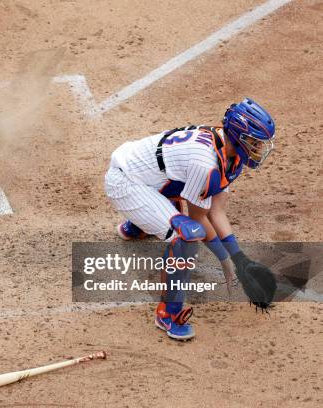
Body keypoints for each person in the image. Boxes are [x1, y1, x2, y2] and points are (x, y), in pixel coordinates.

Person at [104, 98, 276, 340]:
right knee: (188, 234)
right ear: (239, 136)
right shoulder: (205, 164)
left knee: (185, 194)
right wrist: (227, 265)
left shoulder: (228, 153)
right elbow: (200, 220)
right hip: (125, 184)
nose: (259, 147)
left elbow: (216, 211)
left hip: (146, 176)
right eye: (255, 141)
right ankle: (168, 315)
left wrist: (241, 259)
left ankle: (139, 225)